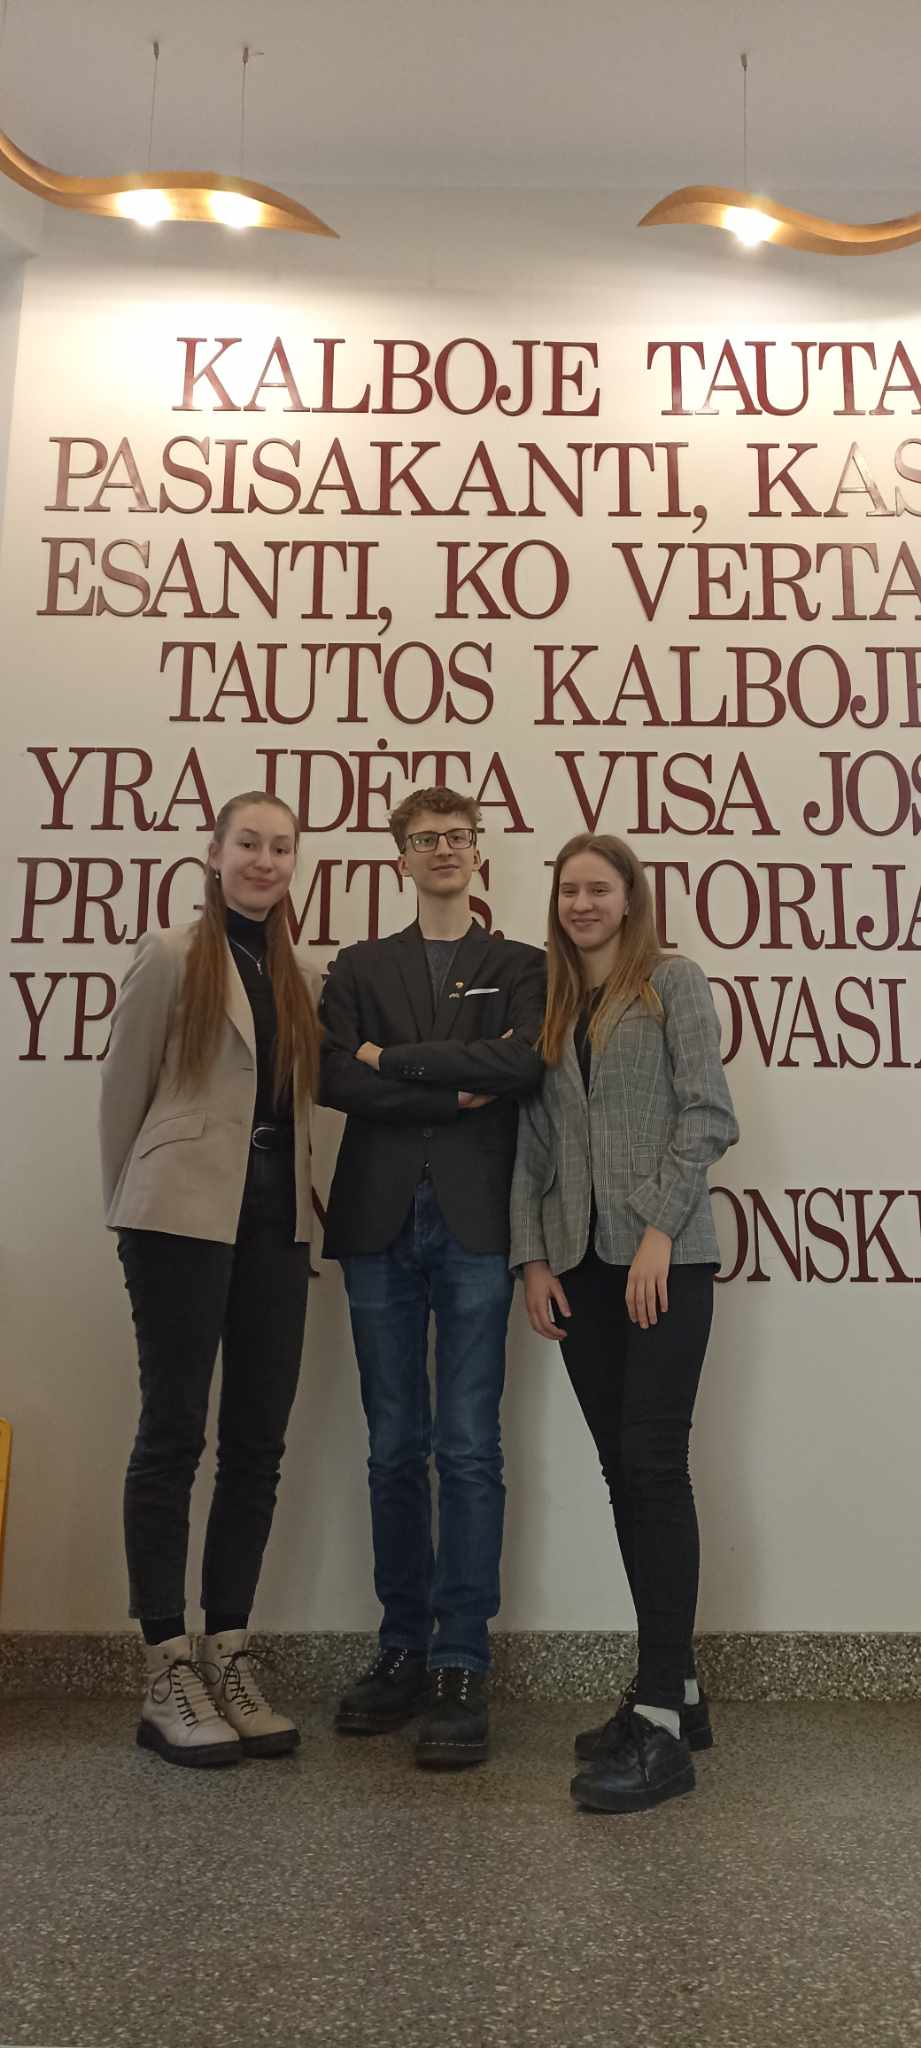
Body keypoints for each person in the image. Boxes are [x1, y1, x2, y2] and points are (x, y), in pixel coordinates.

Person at [510, 832, 738, 1814]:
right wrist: (531, 1258)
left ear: (630, 897)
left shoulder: (672, 983)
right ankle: (673, 1690)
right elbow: (531, 1140)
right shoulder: (554, 1002)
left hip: (663, 1262)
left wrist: (657, 1230)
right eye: (569, 890)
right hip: (580, 1267)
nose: (582, 904)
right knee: (622, 1472)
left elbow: (708, 1113)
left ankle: (659, 1727)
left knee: (653, 1466)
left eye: (598, 888)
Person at [320, 787, 546, 1767]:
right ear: (400, 858)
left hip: (476, 1223)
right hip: (376, 1222)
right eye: (425, 839)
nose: (443, 850)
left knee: (466, 1446)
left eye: (457, 836)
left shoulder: (522, 965)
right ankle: (402, 1645)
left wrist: (394, 1059)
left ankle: (461, 1659)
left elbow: (522, 1066)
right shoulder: (357, 966)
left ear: (478, 851)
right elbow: (334, 1075)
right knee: (392, 1447)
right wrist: (454, 1085)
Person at [99, 791, 321, 1769]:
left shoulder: (300, 973)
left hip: (275, 1225)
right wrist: (132, 1203)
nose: (265, 860)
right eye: (249, 843)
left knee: (257, 1443)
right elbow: (123, 1090)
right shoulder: (170, 953)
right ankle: (166, 1668)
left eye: (281, 847)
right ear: (216, 852)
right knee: (172, 1433)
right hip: (178, 1219)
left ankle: (228, 1651)